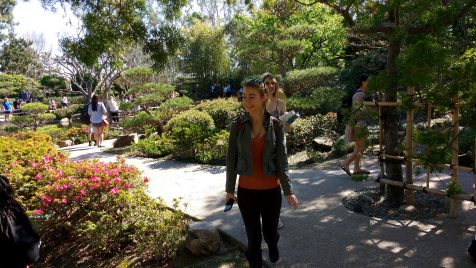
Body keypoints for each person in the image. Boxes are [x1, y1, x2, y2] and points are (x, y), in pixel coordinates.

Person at [225, 78, 299, 267]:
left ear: (263, 97)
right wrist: (229, 190)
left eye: (251, 96)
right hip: (247, 191)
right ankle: (255, 262)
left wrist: (288, 191)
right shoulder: (238, 125)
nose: (246, 101)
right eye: (243, 97)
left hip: (271, 192)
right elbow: (231, 158)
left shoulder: (275, 125)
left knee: (269, 232)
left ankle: (273, 242)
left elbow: (282, 160)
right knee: (253, 238)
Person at [339, 74, 371, 176]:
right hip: (359, 123)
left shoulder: (363, 93)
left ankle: (356, 169)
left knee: (358, 147)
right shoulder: (359, 94)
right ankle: (345, 163)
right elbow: (357, 112)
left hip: (358, 122)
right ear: (363, 82)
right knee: (364, 146)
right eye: (368, 81)